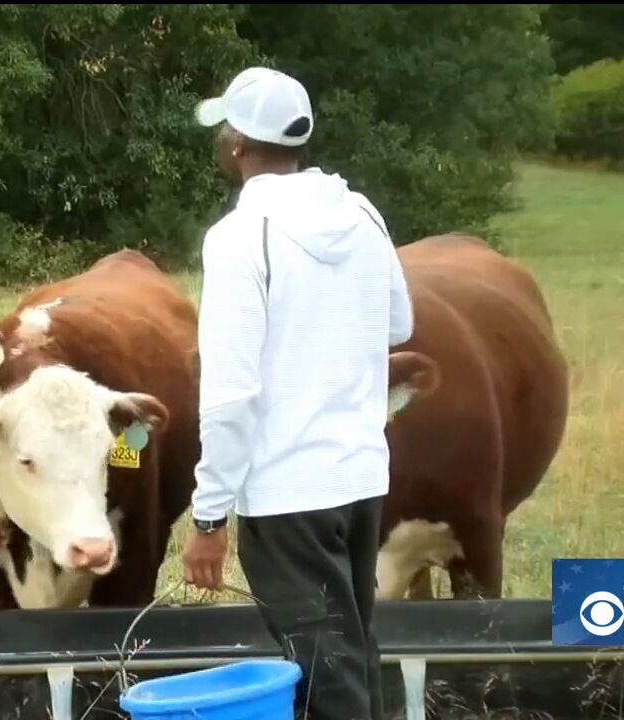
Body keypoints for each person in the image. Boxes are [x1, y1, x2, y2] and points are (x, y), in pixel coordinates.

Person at [181, 66, 414, 720]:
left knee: (325, 669)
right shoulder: (361, 212)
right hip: (361, 477)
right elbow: (399, 323)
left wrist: (208, 518)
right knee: (354, 647)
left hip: (287, 495)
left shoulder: (239, 238)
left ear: (235, 146)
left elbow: (230, 396)